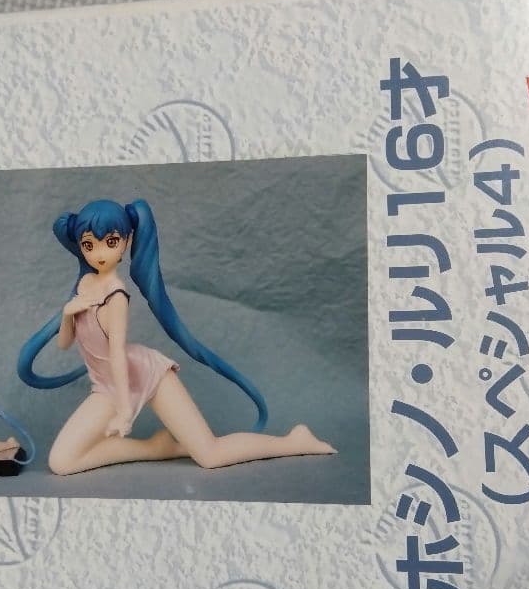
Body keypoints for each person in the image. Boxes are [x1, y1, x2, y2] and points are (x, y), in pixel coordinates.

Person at [18, 199, 334, 475]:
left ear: (126, 241)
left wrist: (125, 413)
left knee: (210, 455)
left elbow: (116, 355)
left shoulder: (116, 296)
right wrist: (68, 313)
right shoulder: (85, 285)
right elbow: (65, 343)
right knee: (62, 462)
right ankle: (155, 448)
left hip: (143, 374)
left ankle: (294, 441)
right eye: (89, 245)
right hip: (107, 385)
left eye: (111, 242)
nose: (100, 253)